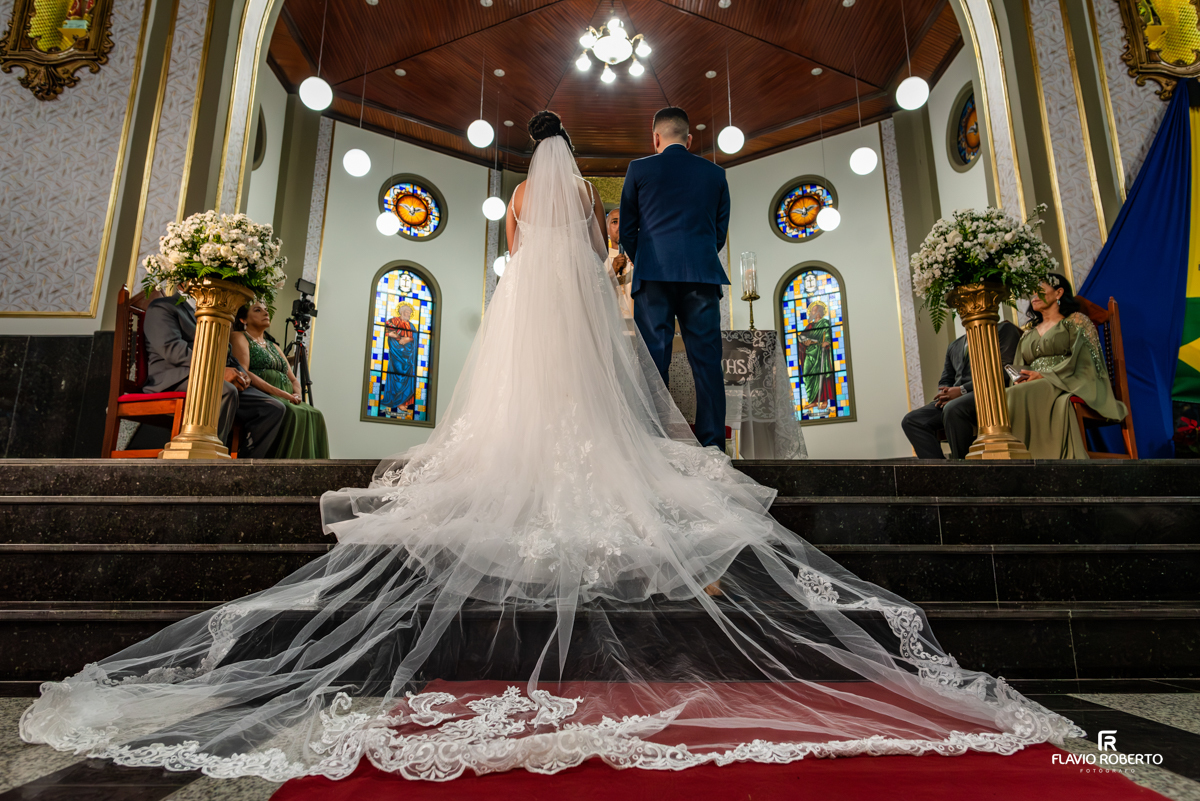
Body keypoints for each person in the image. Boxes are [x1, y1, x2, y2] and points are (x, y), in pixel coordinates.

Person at [21, 112, 1079, 781]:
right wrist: (607, 256)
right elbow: (605, 254)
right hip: (596, 297)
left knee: (511, 408)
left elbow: (517, 247)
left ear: (525, 160)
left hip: (526, 299)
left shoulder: (526, 197)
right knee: (609, 401)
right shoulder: (596, 197)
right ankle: (648, 451)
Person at [620, 106, 730, 449]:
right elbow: (719, 232)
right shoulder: (715, 174)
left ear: (656, 138)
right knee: (707, 361)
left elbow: (627, 229)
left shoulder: (639, 169)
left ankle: (656, 444)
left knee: (654, 361)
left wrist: (650, 261)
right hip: (702, 275)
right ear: (689, 138)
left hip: (653, 278)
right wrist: (696, 256)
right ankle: (713, 444)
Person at [141, 290, 284, 458]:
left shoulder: (215, 313)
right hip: (175, 378)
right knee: (225, 391)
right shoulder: (163, 307)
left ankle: (243, 469)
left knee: (273, 408)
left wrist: (242, 374)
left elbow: (227, 352)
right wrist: (216, 371)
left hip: (215, 376)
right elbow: (173, 350)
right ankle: (211, 462)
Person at [1008, 273, 1127, 458]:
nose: (1034, 296)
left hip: (1071, 380)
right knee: (1008, 393)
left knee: (1021, 392)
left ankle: (1038, 457)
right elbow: (1019, 364)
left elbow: (1088, 362)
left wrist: (1045, 376)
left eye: (1039, 291)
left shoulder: (1076, 322)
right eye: (1031, 293)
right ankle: (1021, 457)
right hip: (1033, 384)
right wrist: (1020, 378)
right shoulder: (1028, 332)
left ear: (1058, 293)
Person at [902, 319, 1023, 459]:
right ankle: (940, 473)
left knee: (953, 409)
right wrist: (945, 394)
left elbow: (1005, 370)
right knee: (912, 420)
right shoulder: (955, 345)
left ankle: (963, 469)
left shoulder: (1003, 329)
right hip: (956, 398)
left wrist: (962, 390)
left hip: (989, 392)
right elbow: (946, 379)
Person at [231, 303, 329, 459]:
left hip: (286, 397)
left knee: (315, 414)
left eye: (266, 310)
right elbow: (245, 372)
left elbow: (293, 378)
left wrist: (297, 395)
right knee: (293, 413)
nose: (265, 313)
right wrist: (283, 394)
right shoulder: (239, 336)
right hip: (263, 394)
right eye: (257, 310)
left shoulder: (274, 346)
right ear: (243, 319)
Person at [605, 208, 634, 323]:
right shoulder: (601, 258)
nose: (619, 227)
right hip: (611, 323)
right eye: (614, 222)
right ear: (606, 229)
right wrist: (613, 270)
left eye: (624, 222)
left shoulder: (636, 256)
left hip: (635, 323)